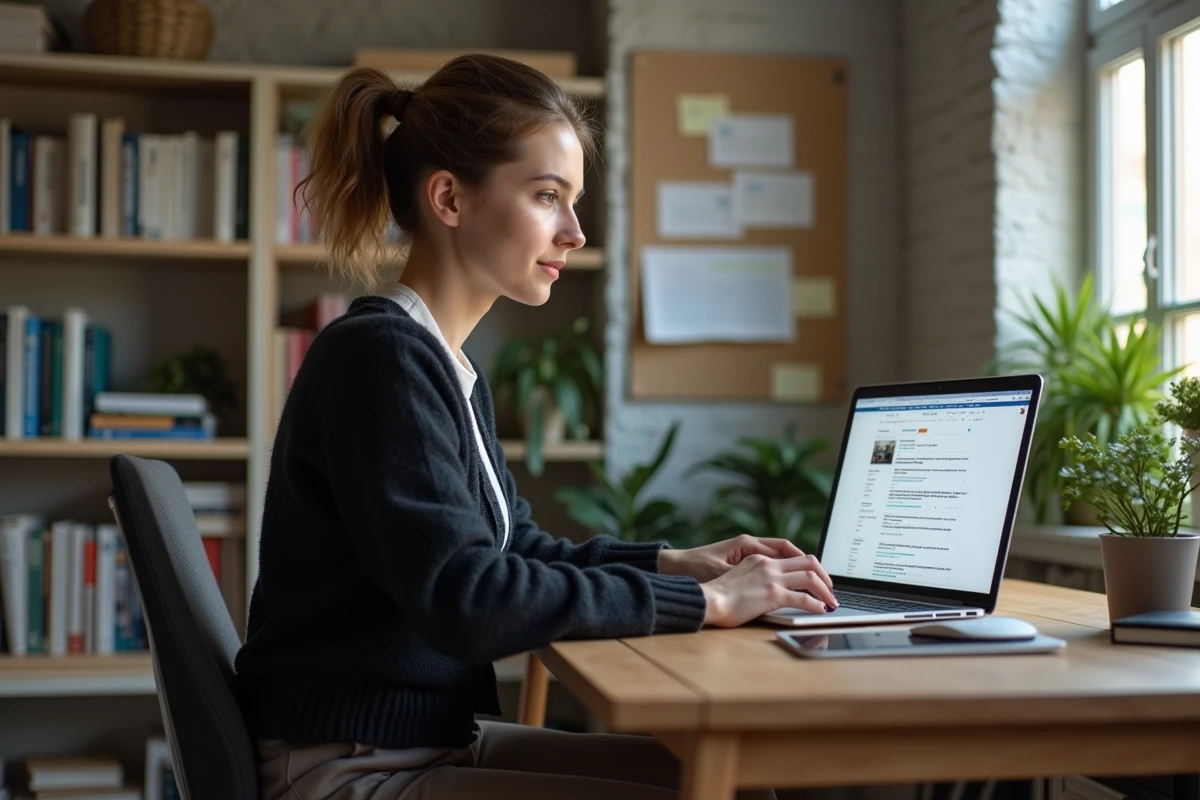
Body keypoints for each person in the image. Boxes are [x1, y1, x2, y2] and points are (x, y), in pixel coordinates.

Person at [233, 53, 839, 800]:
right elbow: (468, 597)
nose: (576, 232)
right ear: (450, 198)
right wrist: (710, 605)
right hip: (351, 765)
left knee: (737, 785)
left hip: (423, 743)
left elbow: (514, 550)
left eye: (573, 201)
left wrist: (677, 565)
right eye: (548, 196)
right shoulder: (381, 359)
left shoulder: (443, 364)